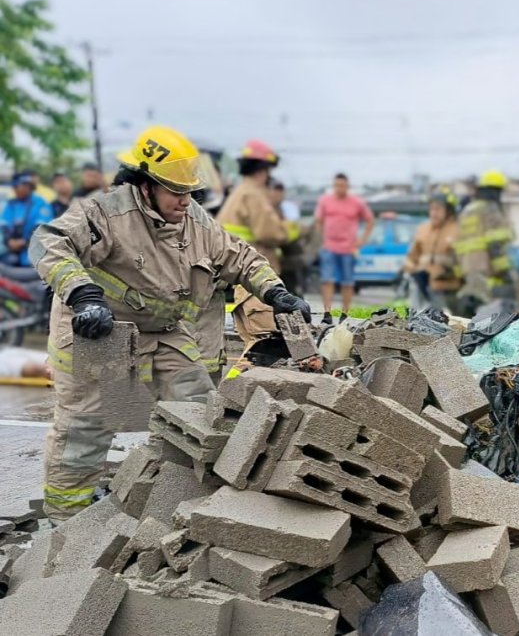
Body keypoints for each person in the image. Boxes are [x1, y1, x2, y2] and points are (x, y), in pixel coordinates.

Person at [30, 125, 309, 522]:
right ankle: (66, 520)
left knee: (197, 410)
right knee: (89, 423)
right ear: (145, 186)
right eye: (177, 192)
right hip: (102, 328)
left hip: (162, 329)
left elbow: (240, 256)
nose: (186, 201)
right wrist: (82, 294)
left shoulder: (193, 218)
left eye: (190, 192)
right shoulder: (105, 213)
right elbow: (47, 243)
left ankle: (170, 497)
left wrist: (275, 293)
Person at [216, 139, 292, 348]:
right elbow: (269, 232)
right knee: (264, 344)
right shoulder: (254, 195)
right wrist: (289, 231)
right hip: (256, 280)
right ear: (263, 169)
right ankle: (241, 382)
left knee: (253, 346)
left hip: (243, 279)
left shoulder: (240, 192)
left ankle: (237, 381)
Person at [454, 169, 518, 314]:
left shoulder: (467, 209)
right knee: (487, 314)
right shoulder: (490, 209)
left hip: (466, 267)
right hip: (484, 265)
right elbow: (495, 242)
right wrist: (503, 271)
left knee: (470, 309)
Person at [314, 173, 375, 317]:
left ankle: (345, 313)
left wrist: (362, 240)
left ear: (347, 186)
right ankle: (327, 312)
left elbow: (370, 220)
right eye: (336, 185)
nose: (339, 188)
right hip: (329, 247)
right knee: (327, 280)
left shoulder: (357, 202)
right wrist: (321, 240)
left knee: (347, 282)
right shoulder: (325, 201)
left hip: (348, 248)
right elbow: (318, 221)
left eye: (342, 186)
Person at [405, 189, 462, 313]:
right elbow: (411, 257)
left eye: (438, 209)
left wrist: (450, 272)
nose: (434, 213)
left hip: (449, 291)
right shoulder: (423, 229)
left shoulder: (458, 231)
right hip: (422, 289)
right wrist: (414, 271)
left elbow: (466, 262)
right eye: (432, 209)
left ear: (449, 210)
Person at [2, 173, 53, 267]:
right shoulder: (11, 204)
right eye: (14, 187)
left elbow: (41, 227)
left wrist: (24, 242)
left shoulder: (40, 203)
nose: (15, 189)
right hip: (12, 253)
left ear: (28, 186)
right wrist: (9, 241)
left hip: (35, 255)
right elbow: (5, 224)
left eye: (17, 186)